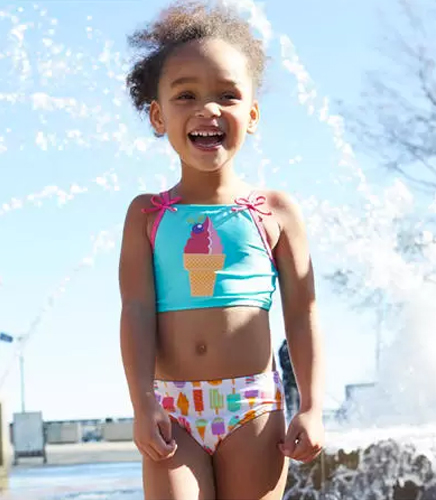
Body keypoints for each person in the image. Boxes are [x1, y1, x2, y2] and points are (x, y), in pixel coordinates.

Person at [119, 2, 324, 499]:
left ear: (251, 115)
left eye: (227, 95)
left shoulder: (275, 211)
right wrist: (142, 404)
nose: (208, 109)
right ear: (158, 115)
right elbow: (137, 311)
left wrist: (312, 406)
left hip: (252, 408)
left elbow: (303, 314)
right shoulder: (147, 214)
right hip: (172, 411)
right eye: (185, 95)